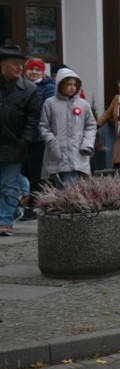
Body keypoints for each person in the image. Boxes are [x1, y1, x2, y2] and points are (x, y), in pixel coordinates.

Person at [0, 45, 40, 237]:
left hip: (15, 144)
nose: (19, 67)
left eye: (20, 64)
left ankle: (4, 221)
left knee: (9, 184)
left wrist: (24, 140)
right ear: (3, 64)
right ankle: (12, 212)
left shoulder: (29, 89)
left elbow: (33, 119)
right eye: (15, 64)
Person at [39, 68, 97, 188]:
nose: (72, 88)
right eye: (69, 84)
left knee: (72, 189)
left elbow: (91, 126)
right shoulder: (50, 103)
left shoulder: (83, 105)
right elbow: (44, 126)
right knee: (60, 189)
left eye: (75, 85)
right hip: (57, 153)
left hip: (78, 152)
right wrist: (52, 141)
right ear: (60, 85)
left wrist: (87, 144)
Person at [19, 58, 54, 220]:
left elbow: (47, 110)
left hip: (39, 136)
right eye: (31, 69)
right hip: (21, 135)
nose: (33, 72)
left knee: (35, 173)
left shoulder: (48, 87)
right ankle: (23, 202)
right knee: (23, 170)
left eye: (37, 69)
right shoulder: (20, 84)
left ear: (42, 71)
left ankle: (33, 205)